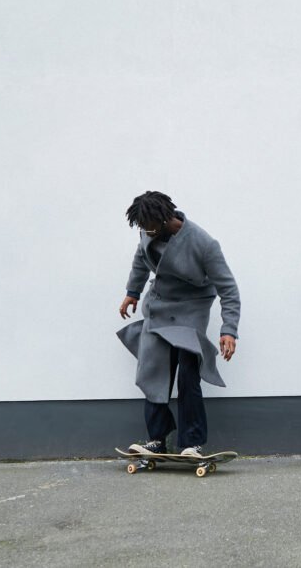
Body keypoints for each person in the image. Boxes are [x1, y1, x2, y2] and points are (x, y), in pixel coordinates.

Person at [117, 191, 240, 457]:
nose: (144, 231)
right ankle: (157, 440)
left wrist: (228, 330)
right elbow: (140, 261)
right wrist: (132, 292)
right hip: (158, 310)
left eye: (148, 226)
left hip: (190, 312)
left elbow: (228, 289)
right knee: (152, 373)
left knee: (188, 375)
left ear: (163, 219)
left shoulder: (203, 243)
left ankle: (191, 442)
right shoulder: (148, 233)